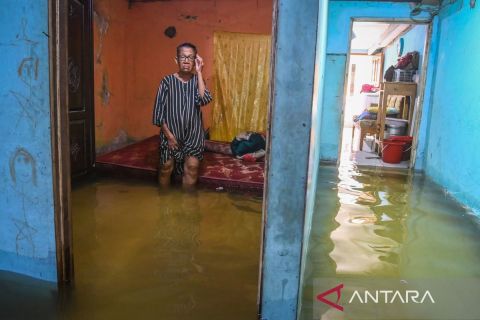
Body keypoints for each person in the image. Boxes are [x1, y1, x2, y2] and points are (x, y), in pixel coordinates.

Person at [152, 43, 213, 188]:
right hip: (170, 134)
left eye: (190, 57)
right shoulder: (167, 82)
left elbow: (204, 99)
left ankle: (188, 207)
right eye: (183, 57)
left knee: (192, 169)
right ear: (176, 60)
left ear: (195, 61)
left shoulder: (198, 81)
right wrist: (170, 137)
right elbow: (158, 113)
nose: (186, 60)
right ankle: (164, 203)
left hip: (194, 134)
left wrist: (199, 72)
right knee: (166, 168)